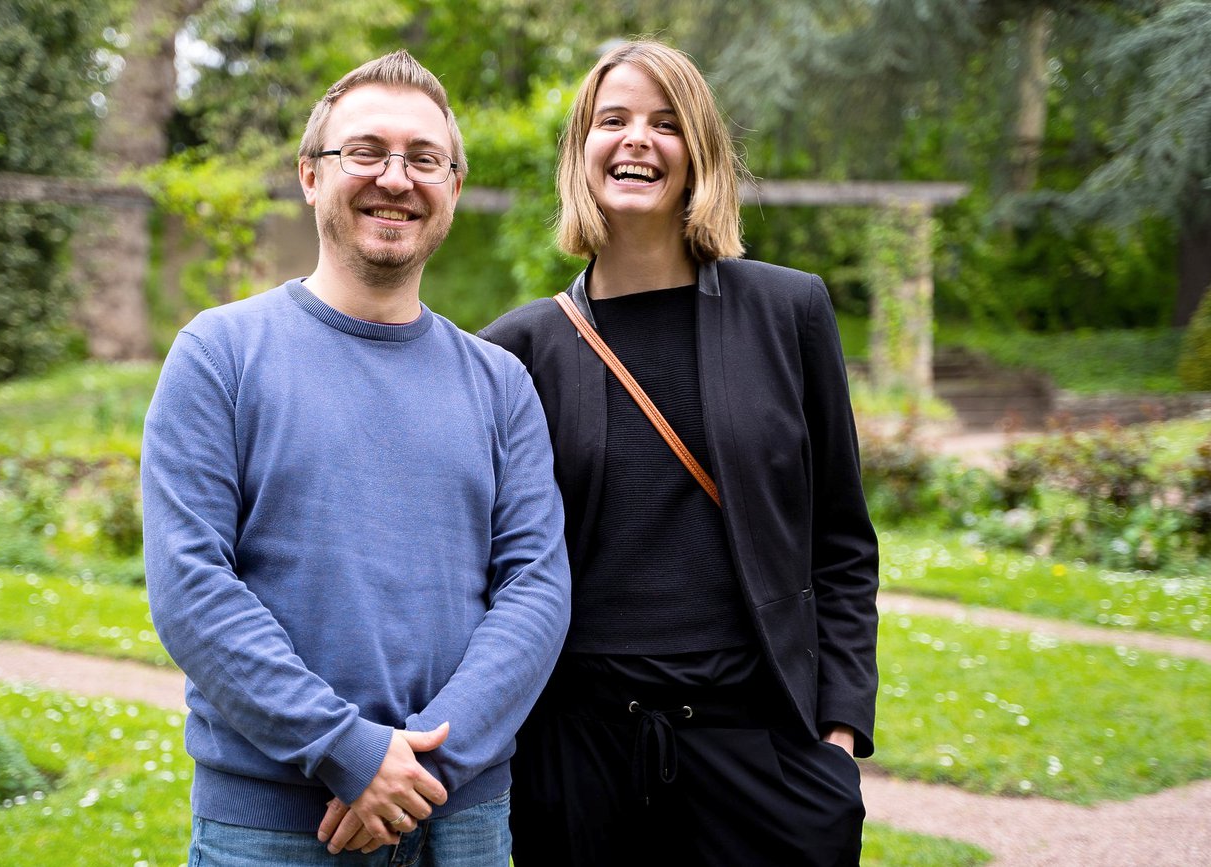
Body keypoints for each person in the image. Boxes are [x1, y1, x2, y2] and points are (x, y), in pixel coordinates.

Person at [141, 50, 571, 866]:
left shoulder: (500, 382)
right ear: (310, 174)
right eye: (365, 151)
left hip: (464, 823)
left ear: (452, 184)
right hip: (273, 829)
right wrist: (349, 750)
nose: (396, 178)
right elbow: (191, 585)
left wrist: (416, 769)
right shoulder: (219, 355)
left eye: (424, 159)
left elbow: (537, 588)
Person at [479, 39, 879, 866]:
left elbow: (840, 540)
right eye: (612, 120)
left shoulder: (788, 310)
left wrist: (837, 732)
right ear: (581, 151)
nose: (636, 139)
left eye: (665, 124)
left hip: (758, 746)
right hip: (578, 751)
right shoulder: (520, 347)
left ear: (698, 153)